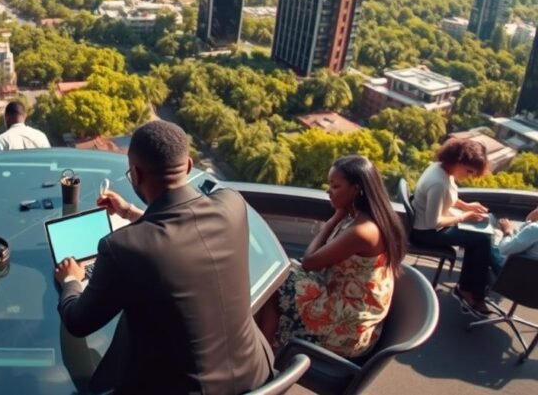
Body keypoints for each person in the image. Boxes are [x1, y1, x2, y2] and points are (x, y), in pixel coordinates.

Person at [54, 120, 273, 395]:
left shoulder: (122, 248)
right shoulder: (232, 204)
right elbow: (184, 231)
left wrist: (71, 280)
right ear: (189, 166)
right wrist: (132, 213)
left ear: (135, 174)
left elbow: (78, 322)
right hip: (258, 377)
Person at [256, 156, 407, 358]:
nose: (328, 191)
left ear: (356, 190)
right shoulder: (359, 217)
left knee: (275, 286)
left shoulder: (363, 231)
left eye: (335, 186)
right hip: (342, 304)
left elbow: (310, 262)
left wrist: (332, 221)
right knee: (281, 273)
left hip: (349, 329)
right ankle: (266, 348)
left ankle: (262, 361)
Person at [410, 138, 492, 316]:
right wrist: (465, 216)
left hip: (428, 225)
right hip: (425, 232)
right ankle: (472, 292)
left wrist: (466, 206)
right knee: (482, 239)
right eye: (469, 171)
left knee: (478, 238)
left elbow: (449, 197)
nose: (469, 175)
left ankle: (469, 289)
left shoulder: (441, 169)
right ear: (458, 161)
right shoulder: (438, 183)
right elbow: (434, 222)